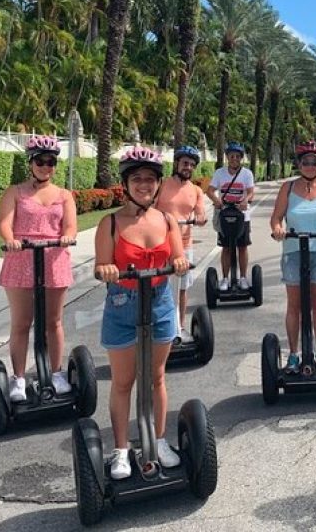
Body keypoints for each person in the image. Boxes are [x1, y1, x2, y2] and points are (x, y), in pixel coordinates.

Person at [94, 147, 190, 479]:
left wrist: (179, 262)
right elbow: (102, 264)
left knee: (157, 377)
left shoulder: (166, 220)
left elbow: (179, 258)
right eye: (137, 179)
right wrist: (107, 269)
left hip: (161, 300)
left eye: (150, 179)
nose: (144, 185)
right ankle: (121, 450)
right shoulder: (110, 224)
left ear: (158, 184)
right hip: (123, 303)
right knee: (124, 381)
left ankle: (159, 440)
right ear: (126, 184)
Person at [0, 135, 76, 402]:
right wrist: (11, 241)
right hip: (21, 258)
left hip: (54, 258)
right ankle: (18, 378)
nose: (46, 166)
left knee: (53, 322)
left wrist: (66, 237)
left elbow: (70, 226)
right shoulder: (15, 192)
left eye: (51, 161)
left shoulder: (64, 195)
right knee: (22, 322)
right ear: (30, 162)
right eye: (40, 161)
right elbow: (5, 225)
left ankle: (56, 373)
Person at [270, 141, 316, 374]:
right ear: (298, 164)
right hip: (293, 251)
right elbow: (276, 218)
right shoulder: (288, 188)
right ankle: (293, 355)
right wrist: (278, 229)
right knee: (295, 306)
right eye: (306, 162)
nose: (310, 166)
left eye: (315, 162)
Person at [155, 145, 206, 341]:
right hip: (160, 244)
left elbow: (200, 211)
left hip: (184, 245)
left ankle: (180, 326)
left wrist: (200, 217)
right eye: (185, 163)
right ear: (177, 163)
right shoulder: (162, 184)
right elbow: (149, 207)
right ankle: (159, 326)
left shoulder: (196, 190)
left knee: (182, 289)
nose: (188, 167)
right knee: (159, 287)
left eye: (192, 165)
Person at [207, 141, 255, 291]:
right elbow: (210, 190)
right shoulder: (219, 173)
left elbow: (251, 191)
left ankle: (242, 278)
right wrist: (217, 201)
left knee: (242, 247)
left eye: (237, 156)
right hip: (225, 215)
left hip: (242, 216)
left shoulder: (247, 174)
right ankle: (225, 279)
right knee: (226, 248)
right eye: (232, 156)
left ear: (241, 158)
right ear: (227, 157)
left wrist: (245, 200)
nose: (234, 159)